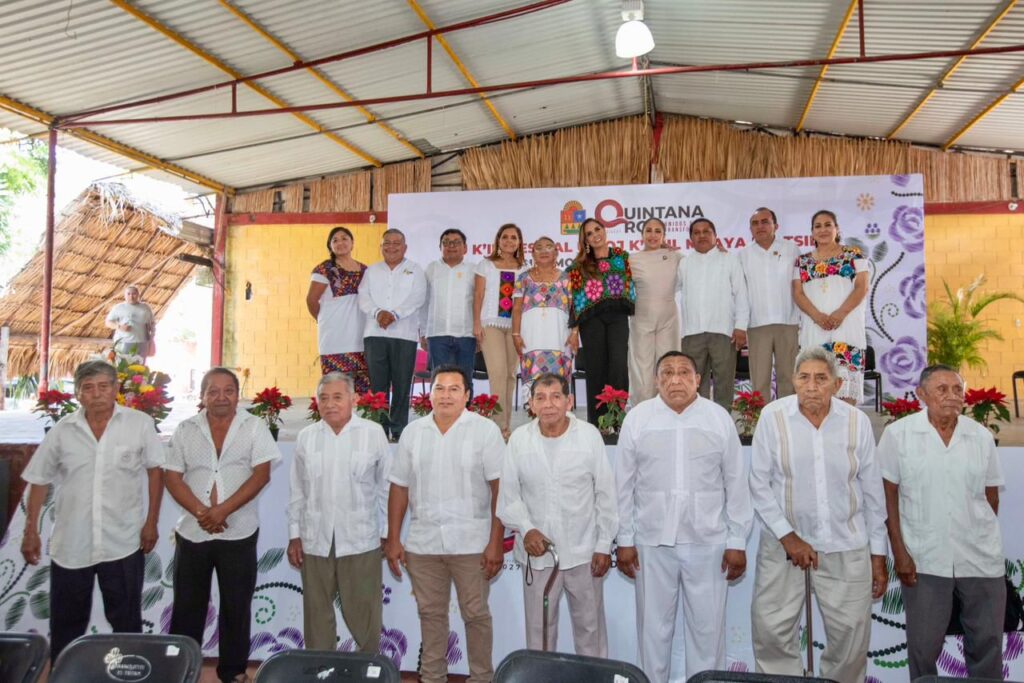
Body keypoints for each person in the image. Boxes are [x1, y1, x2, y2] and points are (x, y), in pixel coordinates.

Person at [748, 347, 888, 683]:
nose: (812, 386)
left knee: (851, 638)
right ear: (793, 381)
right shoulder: (773, 417)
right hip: (782, 547)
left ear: (837, 385)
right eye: (804, 377)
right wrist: (788, 537)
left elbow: (873, 493)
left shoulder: (856, 422)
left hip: (846, 544)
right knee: (771, 630)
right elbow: (758, 484)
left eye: (821, 378)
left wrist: (878, 556)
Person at [615, 351, 753, 681]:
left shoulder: (718, 418)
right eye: (667, 373)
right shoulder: (639, 419)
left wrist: (737, 541)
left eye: (683, 372)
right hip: (651, 542)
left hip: (709, 542)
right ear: (656, 380)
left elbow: (736, 483)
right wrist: (624, 539)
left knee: (708, 633)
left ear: (697, 379)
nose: (675, 379)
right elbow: (622, 485)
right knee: (653, 632)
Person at [21, 359, 164, 662]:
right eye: (88, 388)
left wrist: (151, 522)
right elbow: (38, 480)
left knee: (126, 620)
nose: (96, 394)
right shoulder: (63, 430)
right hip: (72, 543)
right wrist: (30, 530)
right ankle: (64, 674)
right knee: (66, 623)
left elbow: (156, 472)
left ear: (115, 388)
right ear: (78, 393)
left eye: (103, 386)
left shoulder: (139, 424)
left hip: (123, 541)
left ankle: (130, 675)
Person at [878, 364, 1005, 680]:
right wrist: (900, 553)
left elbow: (991, 498)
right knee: (923, 647)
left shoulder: (980, 437)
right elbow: (887, 496)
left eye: (957, 389)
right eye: (942, 389)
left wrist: (975, 532)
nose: (952, 396)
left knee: (987, 644)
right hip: (924, 558)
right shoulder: (899, 435)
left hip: (980, 558)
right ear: (921, 394)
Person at [384, 364, 505, 683]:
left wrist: (496, 542)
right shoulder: (413, 433)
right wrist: (393, 538)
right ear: (430, 394)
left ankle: (481, 678)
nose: (445, 395)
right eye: (439, 388)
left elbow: (499, 489)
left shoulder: (485, 431)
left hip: (472, 543)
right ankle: (432, 678)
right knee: (430, 615)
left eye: (454, 389)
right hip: (423, 544)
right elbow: (399, 487)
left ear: (467, 395)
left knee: (476, 615)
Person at [165, 368, 280, 683]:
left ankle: (233, 672)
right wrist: (203, 512)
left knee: (236, 607)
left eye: (228, 390)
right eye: (213, 391)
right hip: (193, 531)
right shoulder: (186, 429)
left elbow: (261, 475)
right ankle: (181, 671)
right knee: (187, 607)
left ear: (237, 395)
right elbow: (172, 477)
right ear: (202, 396)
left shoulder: (254, 427)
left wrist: (223, 511)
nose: (221, 397)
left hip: (239, 531)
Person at [497, 372, 617, 656]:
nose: (548, 404)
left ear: (569, 401)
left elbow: (605, 494)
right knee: (539, 632)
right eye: (540, 397)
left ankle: (592, 677)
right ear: (531, 404)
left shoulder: (588, 436)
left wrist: (603, 545)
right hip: (538, 555)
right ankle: (541, 676)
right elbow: (508, 497)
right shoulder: (519, 440)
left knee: (590, 631)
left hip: (584, 553)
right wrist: (526, 528)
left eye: (555, 397)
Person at [288, 372, 390, 652]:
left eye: (337, 397)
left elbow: (386, 488)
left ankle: (368, 667)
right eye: (323, 398)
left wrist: (387, 533)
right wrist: (294, 535)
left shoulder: (372, 433)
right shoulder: (307, 437)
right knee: (317, 614)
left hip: (361, 539)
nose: (330, 404)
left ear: (353, 399)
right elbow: (297, 491)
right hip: (315, 540)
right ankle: (320, 668)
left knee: (365, 613)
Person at [792, 210, 868, 404]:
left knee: (846, 392)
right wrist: (817, 316)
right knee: (816, 387)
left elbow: (862, 287)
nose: (823, 230)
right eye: (817, 226)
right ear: (812, 232)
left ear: (837, 229)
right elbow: (798, 293)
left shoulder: (853, 255)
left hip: (847, 329)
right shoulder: (802, 262)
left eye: (828, 225)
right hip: (814, 331)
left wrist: (840, 314)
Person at [357, 229, 427, 441]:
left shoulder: (415, 270)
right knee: (378, 386)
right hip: (374, 334)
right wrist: (378, 313)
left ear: (405, 247)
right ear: (381, 247)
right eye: (387, 242)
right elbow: (363, 297)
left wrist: (395, 314)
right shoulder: (372, 271)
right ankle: (379, 431)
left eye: (397, 243)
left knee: (402, 385)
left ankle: (398, 431)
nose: (392, 247)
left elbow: (418, 297)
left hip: (404, 335)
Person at [566, 218, 635, 425]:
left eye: (597, 229)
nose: (595, 234)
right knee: (596, 369)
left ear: (604, 230)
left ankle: (617, 419)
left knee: (619, 367)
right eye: (589, 233)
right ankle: (597, 423)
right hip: (591, 321)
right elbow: (575, 300)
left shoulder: (622, 257)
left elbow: (630, 284)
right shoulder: (579, 266)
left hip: (618, 318)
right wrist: (574, 331)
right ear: (585, 240)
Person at [676, 218, 749, 411]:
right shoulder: (684, 263)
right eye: (696, 232)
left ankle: (723, 423)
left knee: (724, 383)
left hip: (723, 331)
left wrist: (741, 326)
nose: (702, 236)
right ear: (691, 238)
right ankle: (697, 422)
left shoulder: (729, 259)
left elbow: (741, 294)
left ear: (715, 236)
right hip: (692, 333)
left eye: (706, 231)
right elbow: (671, 290)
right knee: (693, 384)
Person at [738, 208, 801, 400]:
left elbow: (799, 286)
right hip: (757, 324)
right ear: (750, 229)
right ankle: (761, 418)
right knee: (759, 381)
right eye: (755, 223)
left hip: (788, 322)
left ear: (776, 225)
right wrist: (741, 325)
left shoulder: (791, 249)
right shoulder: (743, 255)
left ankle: (788, 417)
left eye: (765, 221)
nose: (760, 226)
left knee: (788, 378)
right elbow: (740, 293)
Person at [474, 223, 526, 438]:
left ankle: (506, 425)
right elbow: (478, 296)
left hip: (515, 327)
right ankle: (498, 427)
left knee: (510, 375)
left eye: (514, 237)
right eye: (505, 237)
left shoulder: (524, 268)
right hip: (491, 324)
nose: (509, 241)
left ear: (519, 242)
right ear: (498, 240)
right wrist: (476, 324)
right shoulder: (485, 264)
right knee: (498, 373)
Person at [306, 226, 369, 392]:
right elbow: (311, 300)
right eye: (335, 240)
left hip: (361, 340)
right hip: (334, 340)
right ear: (330, 246)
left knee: (361, 393)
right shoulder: (324, 269)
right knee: (336, 391)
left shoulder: (365, 270)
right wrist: (324, 320)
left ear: (352, 243)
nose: (340, 243)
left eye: (344, 238)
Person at [511, 237, 575, 401]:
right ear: (532, 254)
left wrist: (575, 333)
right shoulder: (523, 278)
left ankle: (560, 413)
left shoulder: (566, 278)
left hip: (560, 338)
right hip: (531, 338)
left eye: (548, 247)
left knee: (558, 382)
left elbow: (574, 308)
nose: (544, 250)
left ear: (556, 253)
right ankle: (532, 412)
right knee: (533, 382)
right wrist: (516, 335)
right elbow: (516, 308)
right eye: (539, 247)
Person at [628, 218, 682, 404]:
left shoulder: (675, 256)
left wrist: (718, 250)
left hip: (669, 317)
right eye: (648, 230)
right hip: (641, 317)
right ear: (642, 234)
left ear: (664, 235)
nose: (653, 235)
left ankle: (670, 405)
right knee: (642, 366)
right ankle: (641, 409)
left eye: (658, 231)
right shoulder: (632, 259)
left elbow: (698, 266)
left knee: (669, 363)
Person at [420, 228, 477, 389]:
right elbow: (424, 302)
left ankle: (466, 407)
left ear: (465, 248)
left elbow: (480, 302)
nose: (451, 246)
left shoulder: (474, 270)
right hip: (437, 335)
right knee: (439, 381)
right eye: (446, 243)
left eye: (456, 242)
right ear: (440, 247)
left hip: (466, 335)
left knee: (465, 382)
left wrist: (479, 331)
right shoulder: (431, 269)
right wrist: (423, 332)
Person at [105, 285, 155, 359]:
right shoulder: (118, 307)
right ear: (124, 295)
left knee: (140, 365)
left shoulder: (145, 308)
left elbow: (152, 324)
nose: (131, 296)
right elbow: (108, 322)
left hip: (142, 342)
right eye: (128, 294)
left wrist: (151, 339)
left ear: (138, 294)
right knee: (123, 364)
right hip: (123, 342)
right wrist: (119, 326)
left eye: (134, 294)